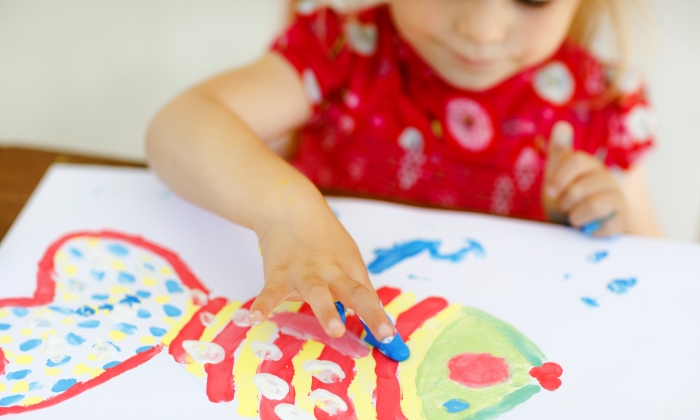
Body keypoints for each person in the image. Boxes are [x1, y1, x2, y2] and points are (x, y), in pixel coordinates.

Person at [146, 0, 662, 343]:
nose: (482, 30)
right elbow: (178, 126)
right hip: (326, 341)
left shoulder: (600, 104)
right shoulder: (342, 50)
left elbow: (661, 275)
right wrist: (286, 212)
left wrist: (600, 212)